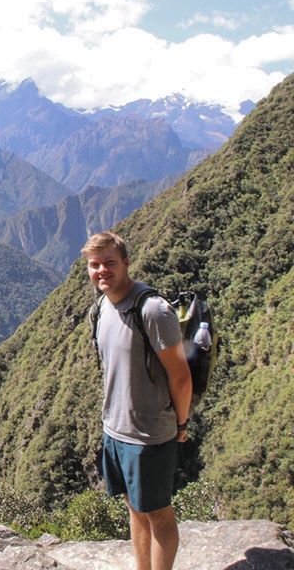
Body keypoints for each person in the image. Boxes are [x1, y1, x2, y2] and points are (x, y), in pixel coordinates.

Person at [81, 232, 192, 570]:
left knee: (157, 512)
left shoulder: (153, 311)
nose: (102, 271)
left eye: (109, 263)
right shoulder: (101, 307)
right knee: (134, 506)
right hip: (115, 430)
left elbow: (181, 376)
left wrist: (181, 424)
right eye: (94, 265)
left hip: (148, 435)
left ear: (126, 262)